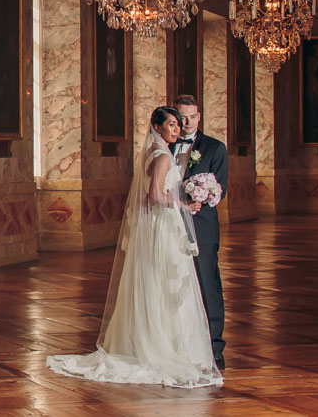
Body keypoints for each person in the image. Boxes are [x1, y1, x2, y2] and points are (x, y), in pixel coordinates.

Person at [47, 106, 223, 388]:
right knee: (170, 283)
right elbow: (155, 195)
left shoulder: (151, 153)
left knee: (155, 281)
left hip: (155, 226)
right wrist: (184, 204)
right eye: (171, 125)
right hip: (164, 225)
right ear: (157, 126)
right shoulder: (163, 155)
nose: (177, 129)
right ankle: (166, 346)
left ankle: (147, 340)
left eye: (178, 125)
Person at [173, 93, 229, 368]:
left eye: (191, 116)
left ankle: (215, 347)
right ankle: (178, 343)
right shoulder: (165, 146)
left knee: (208, 286)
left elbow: (220, 190)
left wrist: (200, 198)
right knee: (173, 286)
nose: (186, 122)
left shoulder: (215, 147)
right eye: (181, 116)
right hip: (169, 227)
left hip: (202, 228)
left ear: (199, 117)